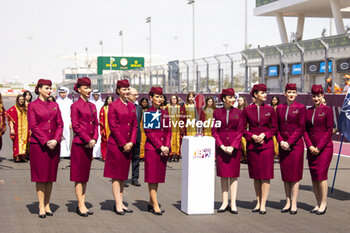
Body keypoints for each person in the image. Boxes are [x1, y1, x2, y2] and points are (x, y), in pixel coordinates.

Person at [27, 79, 63, 218]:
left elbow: (60, 124)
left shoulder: (55, 105)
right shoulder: (32, 105)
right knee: (41, 177)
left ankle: (47, 204)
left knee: (50, 177)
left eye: (50, 88)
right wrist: (46, 140)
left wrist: (56, 139)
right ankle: (41, 205)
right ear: (39, 89)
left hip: (54, 145)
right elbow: (33, 126)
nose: (49, 90)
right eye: (47, 88)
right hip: (40, 146)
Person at [243, 84, 278, 215]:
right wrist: (252, 136)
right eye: (262, 93)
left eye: (265, 92)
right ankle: (258, 202)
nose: (265, 95)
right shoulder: (247, 110)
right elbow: (242, 129)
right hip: (252, 146)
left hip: (266, 146)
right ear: (255, 95)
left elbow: (274, 128)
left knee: (266, 176)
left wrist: (265, 135)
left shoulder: (270, 109)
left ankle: (263, 203)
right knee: (256, 176)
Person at [103, 80, 137, 215]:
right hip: (117, 145)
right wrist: (123, 143)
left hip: (128, 145)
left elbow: (134, 125)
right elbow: (113, 126)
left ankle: (121, 202)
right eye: (124, 89)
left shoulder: (132, 106)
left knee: (123, 175)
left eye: (128, 89)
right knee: (116, 176)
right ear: (118, 91)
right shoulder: (113, 106)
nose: (126, 92)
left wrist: (132, 142)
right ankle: (117, 203)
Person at [212, 88, 244, 214]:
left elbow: (240, 130)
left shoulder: (239, 113)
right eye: (230, 98)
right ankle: (224, 202)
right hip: (222, 149)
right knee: (223, 176)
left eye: (234, 98)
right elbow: (214, 131)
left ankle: (233, 203)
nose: (233, 100)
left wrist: (233, 146)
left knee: (233, 176)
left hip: (234, 149)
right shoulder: (217, 113)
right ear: (224, 98)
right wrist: (221, 146)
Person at [303, 85, 333, 215]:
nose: (316, 98)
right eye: (314, 96)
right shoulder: (308, 111)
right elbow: (304, 130)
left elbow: (328, 131)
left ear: (323, 96)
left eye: (318, 96)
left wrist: (319, 147)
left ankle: (323, 203)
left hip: (324, 148)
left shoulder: (328, 111)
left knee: (321, 176)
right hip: (311, 148)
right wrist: (309, 146)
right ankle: (317, 202)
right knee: (314, 177)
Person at [70, 77, 98, 217]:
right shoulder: (75, 106)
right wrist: (88, 139)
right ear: (79, 89)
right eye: (86, 88)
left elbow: (96, 124)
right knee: (78, 176)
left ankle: (83, 202)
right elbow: (76, 126)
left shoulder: (92, 106)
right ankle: (80, 205)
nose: (89, 90)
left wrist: (94, 139)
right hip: (80, 144)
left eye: (89, 88)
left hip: (90, 145)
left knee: (85, 176)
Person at [276, 83, 306, 215]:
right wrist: (281, 141)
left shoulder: (301, 108)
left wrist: (289, 142)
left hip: (295, 146)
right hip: (283, 145)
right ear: (285, 93)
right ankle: (287, 202)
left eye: (294, 92)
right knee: (286, 175)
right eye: (289, 92)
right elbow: (276, 128)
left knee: (294, 176)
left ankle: (294, 203)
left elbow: (301, 127)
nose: (291, 94)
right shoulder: (279, 108)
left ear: (296, 94)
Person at [144, 87, 171, 215]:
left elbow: (169, 131)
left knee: (157, 178)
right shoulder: (149, 113)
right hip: (153, 149)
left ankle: (151, 202)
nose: (160, 99)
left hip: (163, 149)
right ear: (151, 98)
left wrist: (167, 146)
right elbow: (149, 132)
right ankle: (155, 204)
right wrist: (161, 146)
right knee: (152, 178)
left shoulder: (165, 112)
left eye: (161, 97)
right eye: (157, 96)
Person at [6, 94, 29, 162]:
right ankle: (17, 156)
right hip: (17, 129)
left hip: (25, 129)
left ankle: (23, 156)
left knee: (25, 142)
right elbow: (10, 120)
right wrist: (12, 129)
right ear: (17, 100)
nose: (21, 101)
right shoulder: (14, 109)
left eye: (22, 99)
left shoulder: (26, 109)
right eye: (20, 99)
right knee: (16, 142)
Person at [128, 87, 142, 186]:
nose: (136, 97)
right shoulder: (124, 107)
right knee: (125, 159)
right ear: (128, 95)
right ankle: (123, 178)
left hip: (136, 136)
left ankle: (135, 178)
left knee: (136, 158)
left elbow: (138, 122)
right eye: (134, 95)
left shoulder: (139, 108)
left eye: (137, 95)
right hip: (126, 138)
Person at [56, 87, 73, 158]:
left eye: (64, 93)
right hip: (58, 122)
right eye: (61, 93)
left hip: (67, 122)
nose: (63, 94)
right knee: (59, 136)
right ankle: (60, 152)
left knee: (68, 137)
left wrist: (71, 122)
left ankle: (67, 153)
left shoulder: (70, 102)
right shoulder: (56, 102)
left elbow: (72, 113)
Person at [99, 95, 114, 161]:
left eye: (111, 99)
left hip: (113, 128)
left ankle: (112, 157)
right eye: (108, 99)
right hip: (105, 128)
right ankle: (105, 156)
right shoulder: (103, 108)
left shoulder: (115, 108)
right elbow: (101, 119)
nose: (110, 101)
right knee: (105, 142)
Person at [90, 89, 104, 159]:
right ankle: (91, 154)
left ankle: (97, 154)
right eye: (94, 95)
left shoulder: (101, 104)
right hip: (91, 124)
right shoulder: (89, 103)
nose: (95, 96)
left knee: (99, 139)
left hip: (99, 124)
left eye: (97, 95)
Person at [167, 94, 181, 162]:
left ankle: (177, 154)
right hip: (170, 127)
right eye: (172, 98)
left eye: (175, 98)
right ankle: (171, 154)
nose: (174, 100)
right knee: (171, 140)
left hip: (177, 127)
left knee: (177, 141)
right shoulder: (168, 107)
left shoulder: (179, 107)